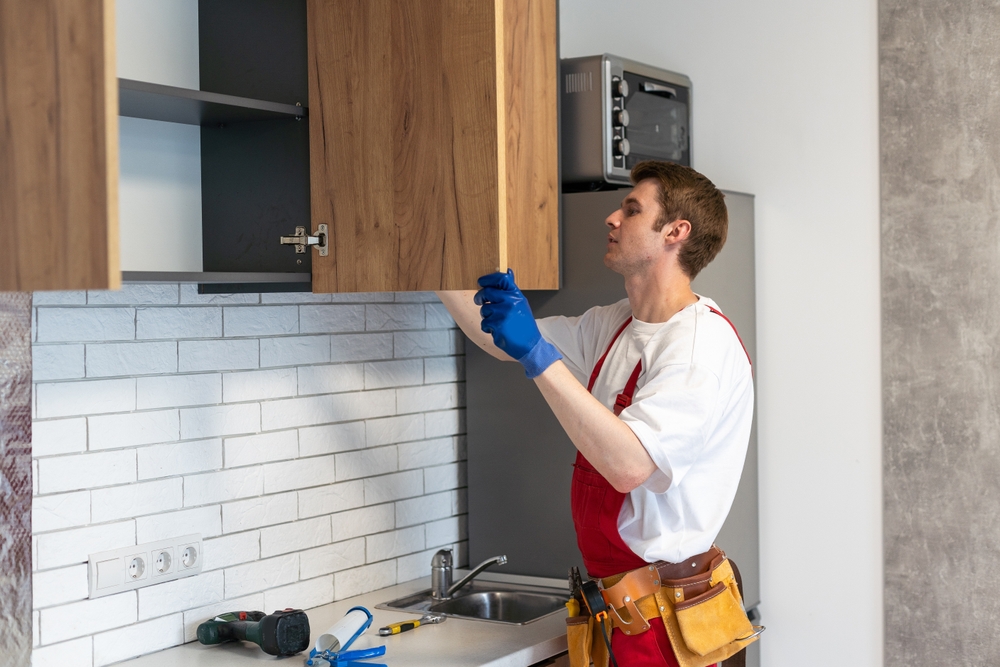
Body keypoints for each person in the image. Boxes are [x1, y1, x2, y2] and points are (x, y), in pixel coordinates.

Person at [437, 161, 754, 667]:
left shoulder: (698, 347)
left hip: (665, 624)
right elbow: (496, 340)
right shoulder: (615, 325)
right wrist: (432, 256)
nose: (611, 218)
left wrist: (538, 356)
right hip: (619, 609)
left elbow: (630, 466)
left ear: (676, 232)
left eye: (631, 209)